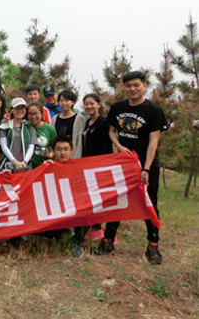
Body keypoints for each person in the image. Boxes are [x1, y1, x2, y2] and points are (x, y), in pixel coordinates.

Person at [98, 70, 167, 264]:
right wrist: (119, 146)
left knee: (149, 203)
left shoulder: (153, 110)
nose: (132, 89)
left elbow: (154, 141)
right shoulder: (118, 107)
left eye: (136, 85)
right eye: (128, 86)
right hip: (123, 163)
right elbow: (112, 131)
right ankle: (108, 240)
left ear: (145, 86)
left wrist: (146, 169)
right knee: (117, 199)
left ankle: (153, 244)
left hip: (147, 164)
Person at [44, 136, 88, 258]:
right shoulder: (49, 166)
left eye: (66, 149)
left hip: (74, 207)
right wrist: (44, 169)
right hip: (55, 209)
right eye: (59, 149)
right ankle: (61, 234)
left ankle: (76, 241)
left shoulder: (79, 168)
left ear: (72, 151)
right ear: (54, 151)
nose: (63, 153)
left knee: (89, 210)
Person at [82, 93, 113, 241]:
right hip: (87, 166)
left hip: (100, 167)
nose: (89, 107)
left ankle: (99, 229)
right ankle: (94, 226)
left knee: (100, 199)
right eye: (86, 104)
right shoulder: (88, 122)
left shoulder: (103, 121)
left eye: (92, 104)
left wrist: (103, 165)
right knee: (91, 198)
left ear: (99, 105)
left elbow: (107, 145)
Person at [0, 98, 35, 172]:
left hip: (25, 166)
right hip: (8, 165)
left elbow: (31, 147)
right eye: (17, 108)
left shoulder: (29, 127)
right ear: (12, 110)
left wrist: (25, 162)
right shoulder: (4, 127)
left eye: (22, 108)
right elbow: (4, 147)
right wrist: (14, 162)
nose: (20, 110)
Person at [51, 90, 86, 159]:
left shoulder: (79, 119)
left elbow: (79, 142)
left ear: (73, 102)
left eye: (67, 101)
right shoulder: (55, 119)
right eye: (61, 101)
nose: (64, 103)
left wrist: (76, 159)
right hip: (58, 157)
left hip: (73, 157)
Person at [25, 101, 57, 169]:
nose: (33, 116)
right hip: (27, 168)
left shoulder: (50, 129)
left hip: (44, 167)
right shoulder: (25, 126)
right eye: (30, 114)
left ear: (42, 114)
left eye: (36, 113)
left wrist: (50, 155)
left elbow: (55, 147)